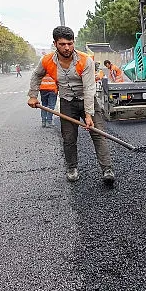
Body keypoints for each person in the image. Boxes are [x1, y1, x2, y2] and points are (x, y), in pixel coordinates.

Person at [27, 26, 115, 185]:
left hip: (87, 100)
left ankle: (107, 169)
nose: (67, 47)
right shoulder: (47, 60)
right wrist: (33, 96)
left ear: (73, 42)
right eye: (62, 44)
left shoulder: (85, 60)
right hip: (67, 102)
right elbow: (36, 75)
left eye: (70, 43)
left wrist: (88, 115)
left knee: (98, 134)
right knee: (68, 137)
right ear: (55, 44)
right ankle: (72, 168)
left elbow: (89, 89)